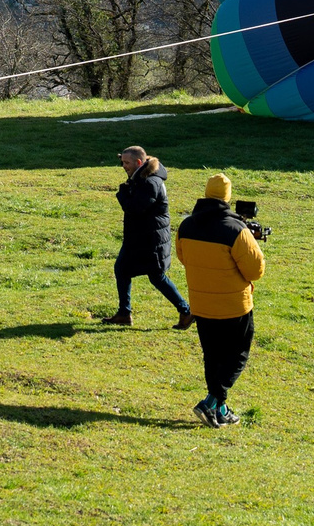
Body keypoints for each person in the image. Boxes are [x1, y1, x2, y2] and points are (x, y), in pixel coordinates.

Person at [175, 171, 266, 427]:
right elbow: (256, 271)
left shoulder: (187, 225)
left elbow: (183, 257)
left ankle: (220, 409)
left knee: (212, 356)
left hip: (202, 304)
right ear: (228, 198)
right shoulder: (236, 229)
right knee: (237, 355)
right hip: (234, 306)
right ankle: (211, 400)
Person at [101, 145, 192, 328]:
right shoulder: (141, 178)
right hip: (139, 238)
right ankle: (124, 313)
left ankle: (186, 311)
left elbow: (135, 208)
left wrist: (122, 192)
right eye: (122, 162)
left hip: (151, 240)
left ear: (139, 162)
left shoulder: (151, 183)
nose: (123, 166)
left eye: (126, 163)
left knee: (157, 276)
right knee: (122, 269)